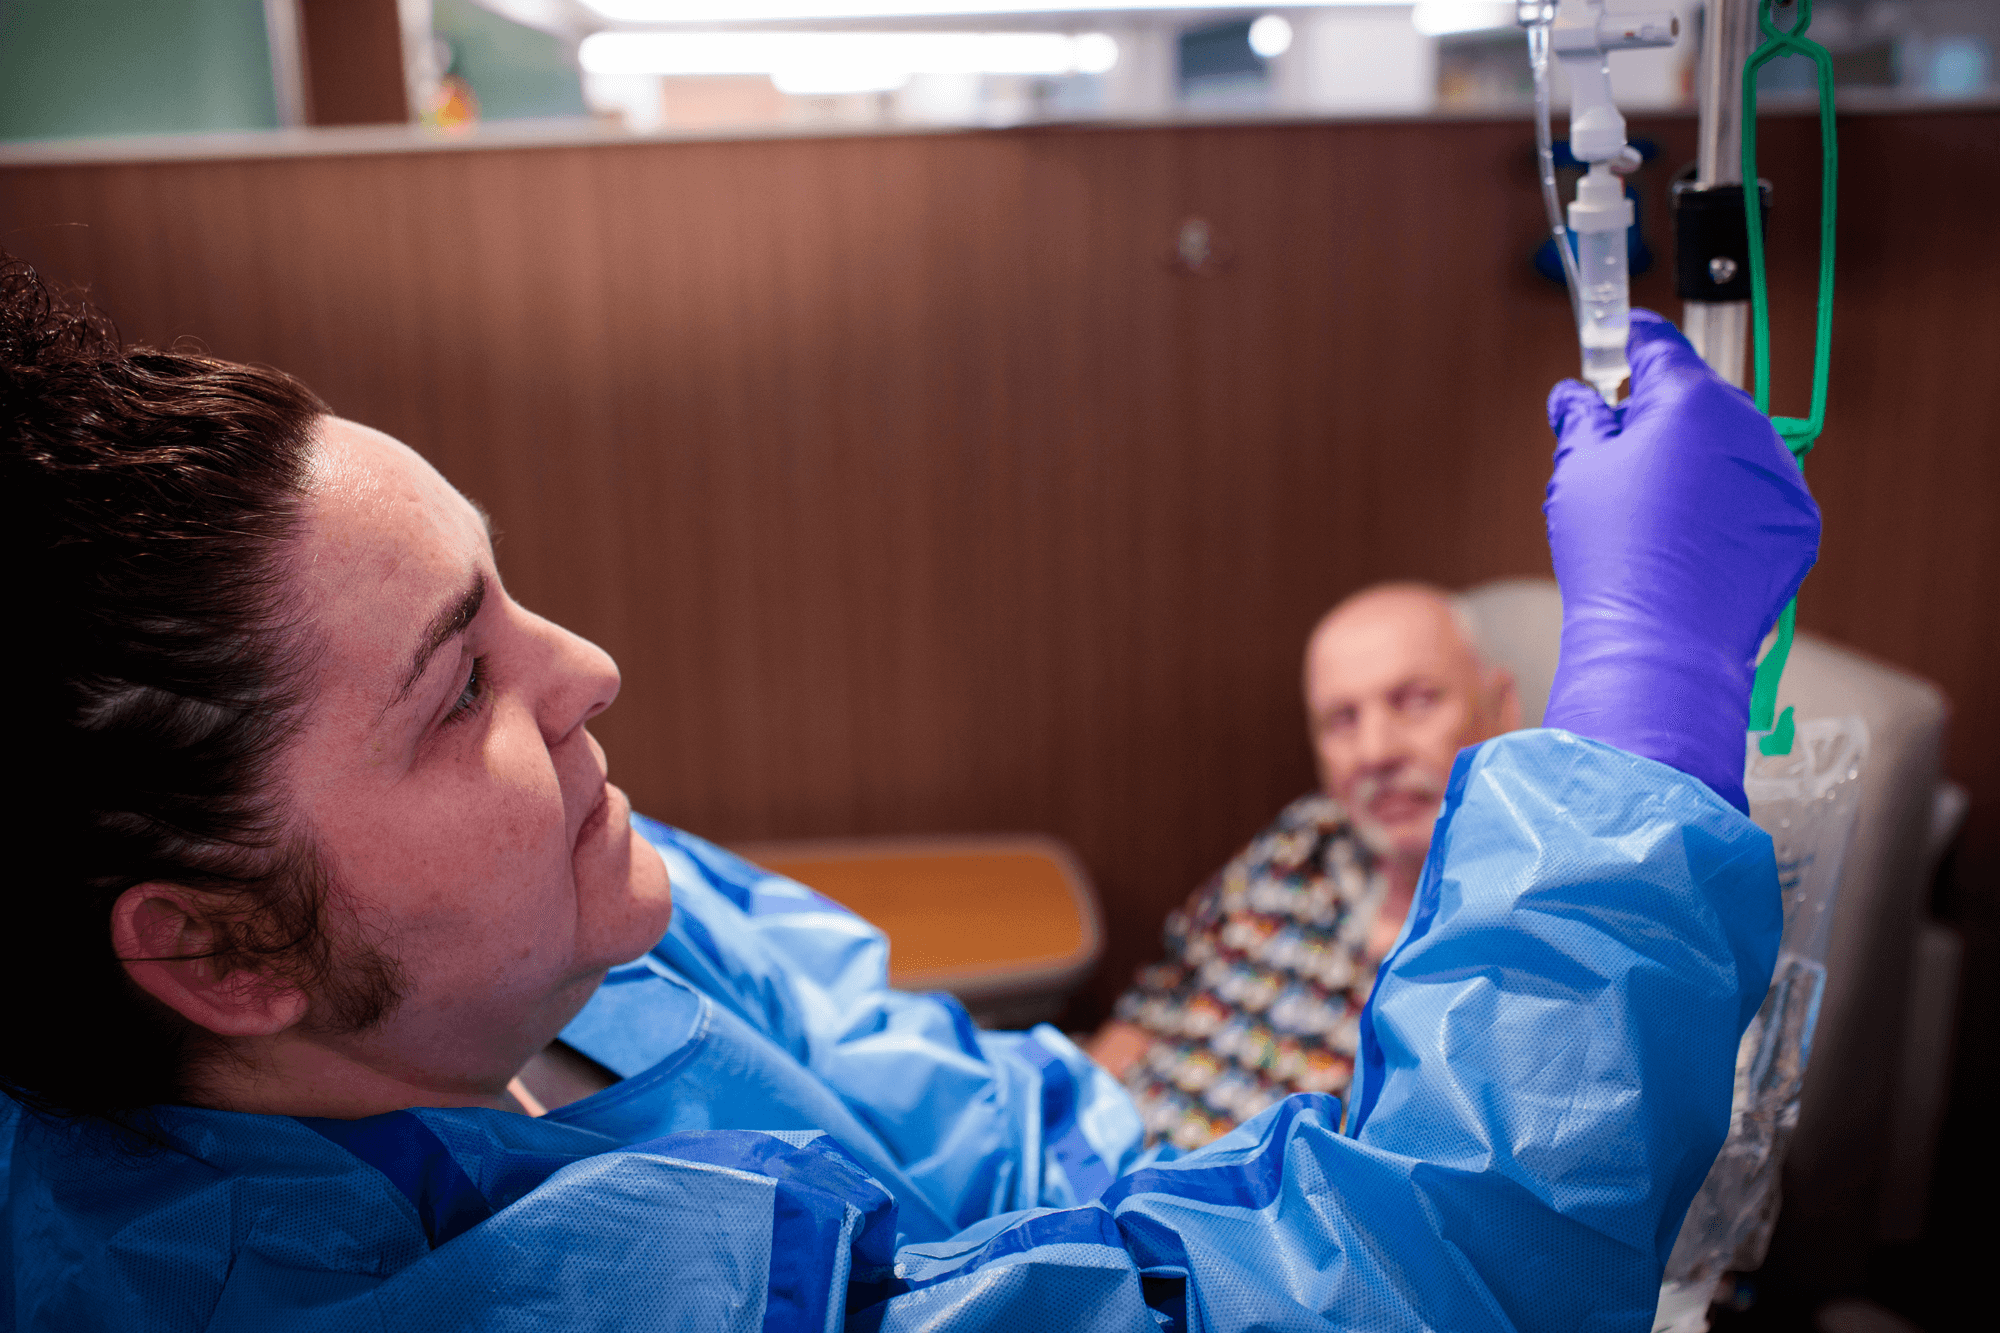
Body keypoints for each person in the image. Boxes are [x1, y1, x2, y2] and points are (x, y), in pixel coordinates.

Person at [1, 253, 1819, 1332]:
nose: (589, 671)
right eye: (459, 681)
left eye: (504, 593)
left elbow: (999, 1147)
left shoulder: (570, 929)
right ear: (229, 952)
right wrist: (1636, 738)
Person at [1091, 584, 1520, 1149]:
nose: (1374, 752)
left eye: (1415, 700)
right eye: (1342, 719)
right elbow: (1153, 1007)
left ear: (1501, 706)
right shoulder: (1304, 838)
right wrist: (1071, 1125)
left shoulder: (1516, 935)